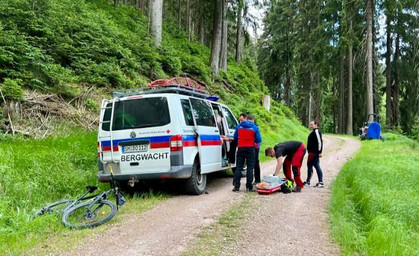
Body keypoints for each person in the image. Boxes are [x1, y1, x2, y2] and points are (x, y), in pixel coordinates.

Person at [232, 116, 262, 192]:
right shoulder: (255, 127)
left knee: (238, 167)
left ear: (246, 119)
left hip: (241, 148)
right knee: (250, 168)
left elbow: (235, 137)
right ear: (252, 120)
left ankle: (236, 186)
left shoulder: (239, 126)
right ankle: (249, 187)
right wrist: (252, 139)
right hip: (250, 149)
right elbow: (259, 140)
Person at [305, 119, 324, 188]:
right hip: (311, 153)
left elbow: (320, 142)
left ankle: (320, 182)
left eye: (312, 124)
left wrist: (320, 152)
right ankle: (308, 181)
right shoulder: (314, 132)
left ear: (316, 125)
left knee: (315, 166)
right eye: (310, 124)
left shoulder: (317, 132)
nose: (310, 126)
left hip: (314, 153)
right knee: (311, 166)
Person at [247, 115, 261, 184]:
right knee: (255, 163)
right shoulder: (255, 127)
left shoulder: (254, 127)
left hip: (254, 146)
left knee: (253, 163)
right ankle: (256, 180)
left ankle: (256, 180)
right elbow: (259, 139)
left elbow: (258, 139)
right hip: (255, 147)